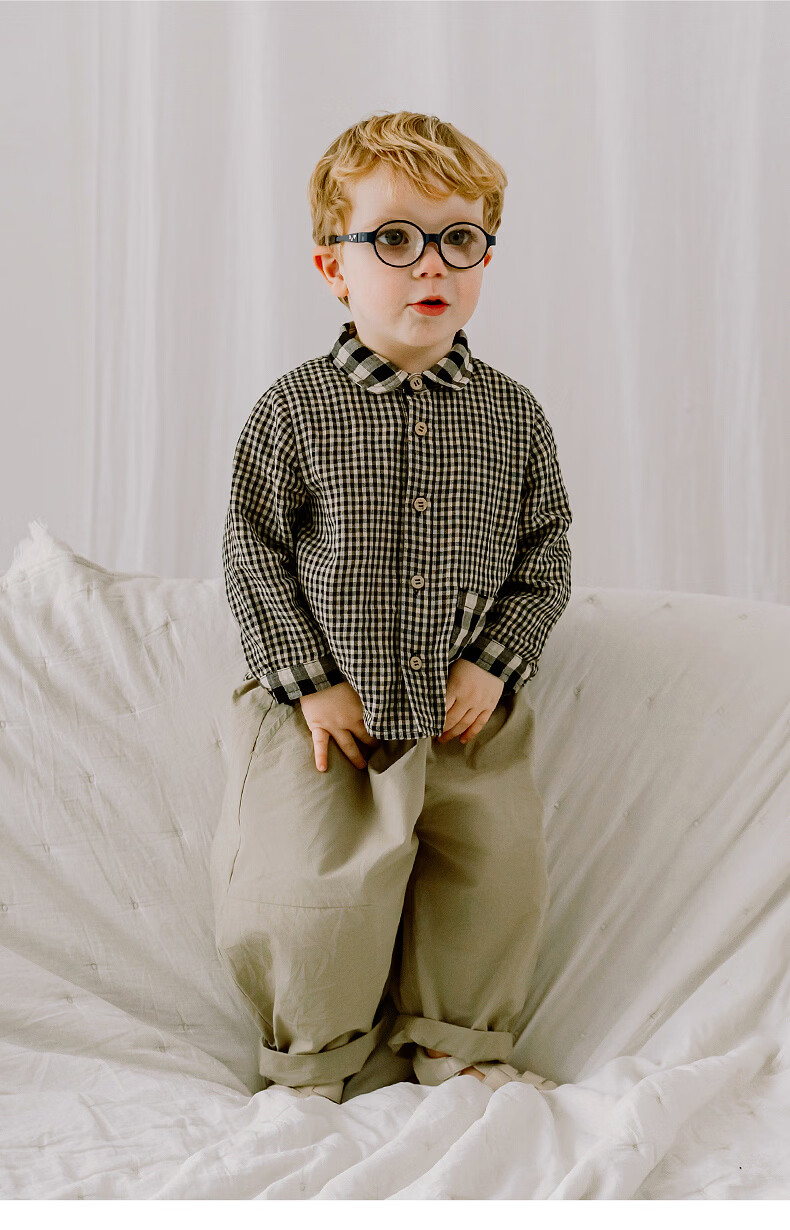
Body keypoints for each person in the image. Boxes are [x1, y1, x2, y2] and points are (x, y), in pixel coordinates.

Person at [210, 111, 572, 1104]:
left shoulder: (513, 416)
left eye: (460, 238)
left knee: (493, 876)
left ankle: (458, 1042)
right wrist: (309, 683)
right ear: (334, 265)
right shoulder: (293, 409)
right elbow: (252, 551)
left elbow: (545, 553)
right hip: (329, 715)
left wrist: (493, 663)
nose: (432, 264)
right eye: (397, 238)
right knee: (307, 895)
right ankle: (314, 1056)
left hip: (464, 713)